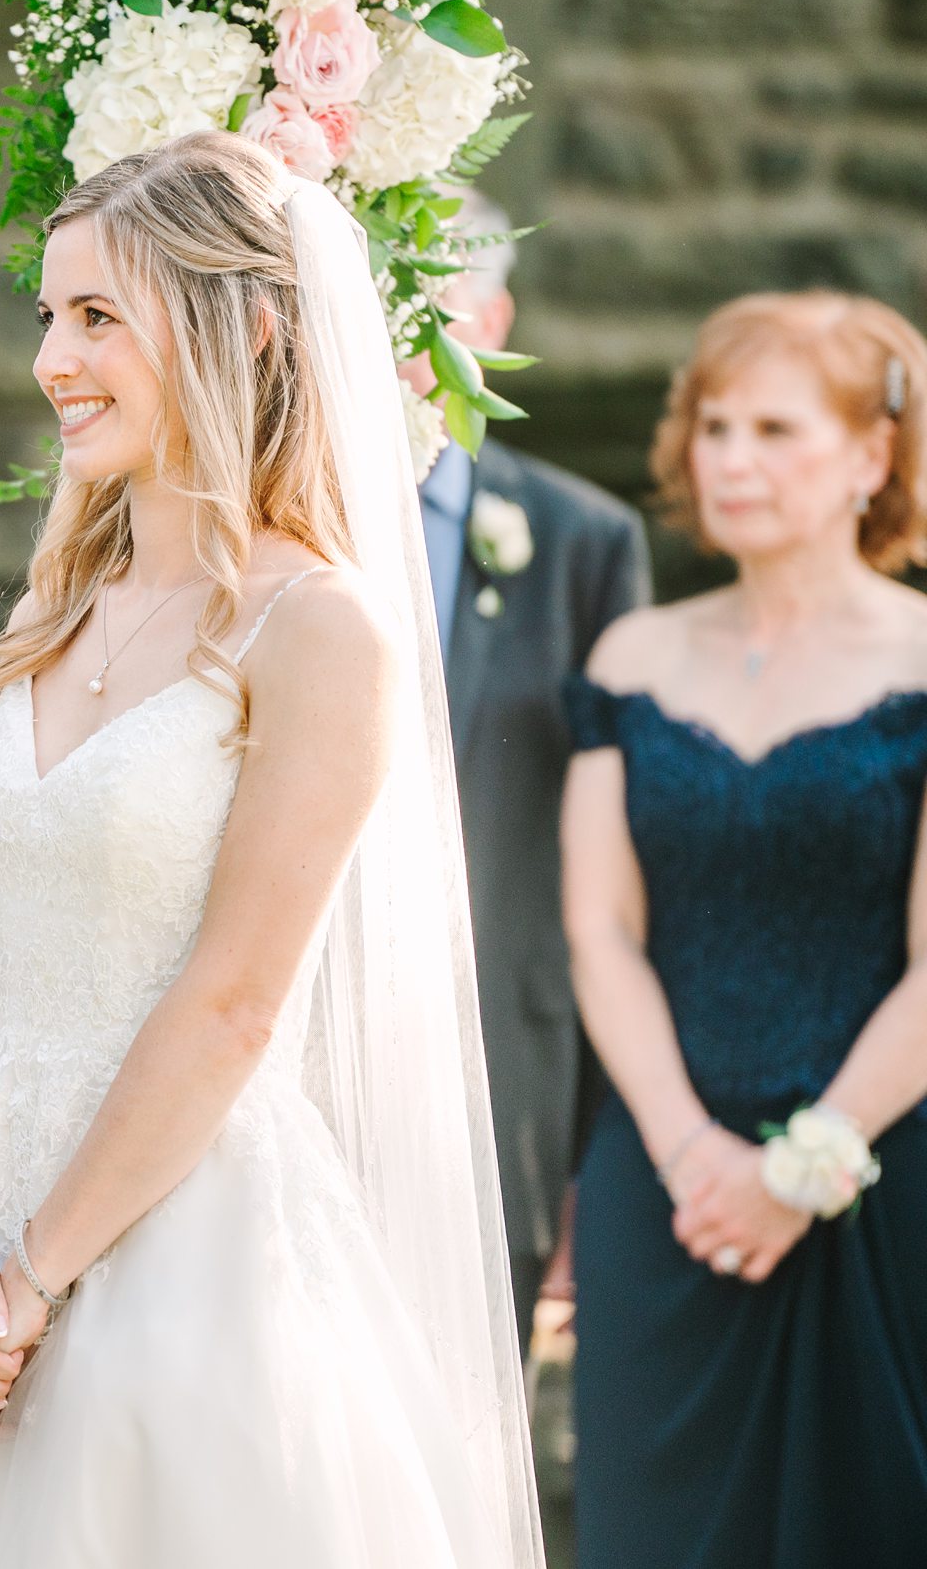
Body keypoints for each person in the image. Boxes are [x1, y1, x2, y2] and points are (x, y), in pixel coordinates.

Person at [0, 132, 541, 1567]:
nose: (51, 360)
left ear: (245, 327)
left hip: (192, 1262)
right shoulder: (60, 604)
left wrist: (36, 1277)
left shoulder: (319, 628)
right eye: (48, 317)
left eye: (98, 317)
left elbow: (237, 1000)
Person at [561, 291, 927, 1567]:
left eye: (777, 428)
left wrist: (805, 1166)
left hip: (882, 1188)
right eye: (715, 426)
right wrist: (691, 1159)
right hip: (666, 1195)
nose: (732, 458)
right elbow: (601, 931)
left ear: (872, 459)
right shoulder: (630, 658)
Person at [403, 191, 652, 1351]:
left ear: (491, 320)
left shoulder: (587, 544)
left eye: (430, 307)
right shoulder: (253, 527)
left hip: (505, 1079)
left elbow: (625, 867)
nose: (400, 339)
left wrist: (593, 1159)